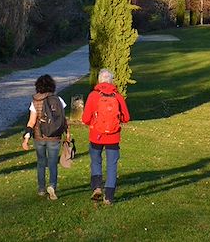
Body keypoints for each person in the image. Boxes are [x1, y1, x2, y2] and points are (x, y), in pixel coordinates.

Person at [81, 68, 130, 205]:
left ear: (99, 80)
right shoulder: (117, 96)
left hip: (96, 135)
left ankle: (97, 187)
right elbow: (126, 117)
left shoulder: (93, 96)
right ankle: (108, 196)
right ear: (111, 81)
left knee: (96, 161)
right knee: (112, 165)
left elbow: (85, 119)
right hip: (113, 136)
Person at [21, 74, 70, 200]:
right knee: (53, 163)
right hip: (55, 136)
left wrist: (26, 139)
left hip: (39, 136)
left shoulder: (35, 101)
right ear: (52, 85)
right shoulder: (58, 100)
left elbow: (31, 122)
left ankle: (41, 188)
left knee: (41, 162)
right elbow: (63, 120)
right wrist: (67, 134)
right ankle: (52, 186)